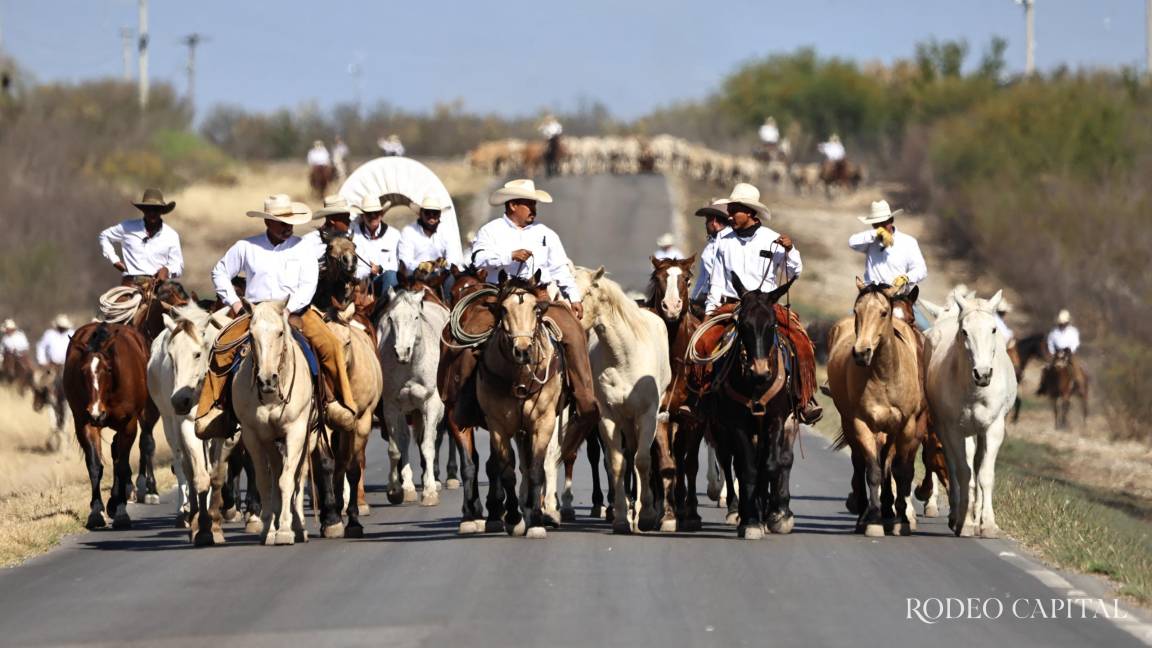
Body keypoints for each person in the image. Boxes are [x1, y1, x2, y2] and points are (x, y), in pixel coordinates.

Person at [442, 178, 599, 435]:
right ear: (513, 205)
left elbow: (560, 267)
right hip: (499, 297)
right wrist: (509, 256)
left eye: (534, 204)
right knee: (471, 337)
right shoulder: (490, 231)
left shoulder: (546, 234)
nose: (534, 210)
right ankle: (466, 400)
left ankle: (583, 398)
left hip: (538, 297)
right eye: (529, 204)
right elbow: (478, 259)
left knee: (573, 332)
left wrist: (574, 297)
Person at [195, 194, 359, 439]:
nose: (288, 227)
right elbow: (219, 271)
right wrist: (236, 305)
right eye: (282, 222)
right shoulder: (246, 247)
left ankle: (336, 403)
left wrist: (291, 309)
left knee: (331, 345)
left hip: (295, 310)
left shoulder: (301, 247)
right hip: (256, 312)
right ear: (268, 223)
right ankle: (215, 409)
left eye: (290, 222)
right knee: (221, 347)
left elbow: (308, 282)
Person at [700, 182, 821, 424]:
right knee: (701, 344)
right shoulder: (723, 240)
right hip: (731, 304)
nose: (730, 215)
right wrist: (709, 313)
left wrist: (791, 250)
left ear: (750, 213)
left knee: (802, 342)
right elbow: (717, 280)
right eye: (730, 210)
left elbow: (795, 269)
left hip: (766, 305)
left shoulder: (773, 239)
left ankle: (803, 399)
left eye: (735, 210)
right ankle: (700, 398)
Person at [98, 188, 184, 287]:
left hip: (158, 286)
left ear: (161, 211)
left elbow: (178, 265)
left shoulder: (171, 235)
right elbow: (104, 236)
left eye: (156, 209)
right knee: (113, 302)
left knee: (182, 301)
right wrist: (115, 260)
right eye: (148, 209)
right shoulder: (127, 227)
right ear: (143, 210)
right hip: (131, 284)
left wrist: (167, 270)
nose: (152, 213)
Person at [847, 200, 927, 289]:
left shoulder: (908, 242)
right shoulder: (870, 240)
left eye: (884, 224)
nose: (881, 227)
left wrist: (906, 278)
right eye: (877, 224)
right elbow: (852, 242)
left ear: (891, 220)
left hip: (897, 293)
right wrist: (875, 233)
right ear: (873, 225)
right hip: (872, 293)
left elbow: (921, 270)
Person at [398, 193, 465, 271]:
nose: (431, 216)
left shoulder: (448, 231)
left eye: (435, 213)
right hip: (416, 277)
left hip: (442, 276)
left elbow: (454, 259)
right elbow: (405, 262)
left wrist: (443, 264)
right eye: (427, 212)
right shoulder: (408, 231)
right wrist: (422, 266)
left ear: (440, 214)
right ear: (420, 213)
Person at [351, 194, 401, 298]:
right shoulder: (354, 234)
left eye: (376, 213)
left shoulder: (394, 234)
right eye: (369, 214)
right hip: (361, 283)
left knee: (391, 275)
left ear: (381, 214)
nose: (373, 216)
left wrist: (380, 268)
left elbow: (395, 264)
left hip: (385, 279)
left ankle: (386, 308)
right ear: (362, 216)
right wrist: (368, 270)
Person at [688, 201, 732, 307]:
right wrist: (693, 300)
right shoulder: (712, 244)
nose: (705, 224)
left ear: (714, 221)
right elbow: (703, 279)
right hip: (707, 298)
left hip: (721, 301)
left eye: (707, 220)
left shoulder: (729, 242)